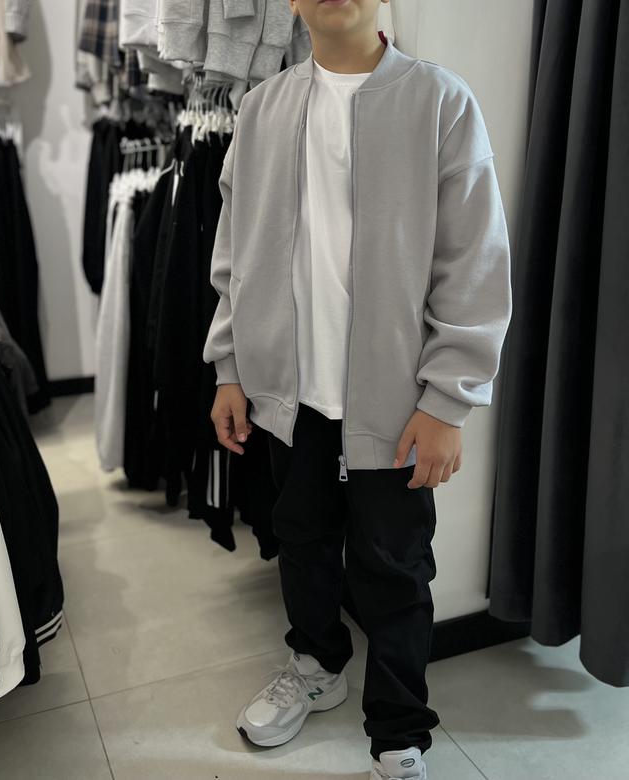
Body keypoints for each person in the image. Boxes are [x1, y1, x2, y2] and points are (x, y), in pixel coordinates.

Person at [202, 0, 513, 777]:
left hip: (397, 404)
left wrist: (447, 400)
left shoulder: (439, 101)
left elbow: (473, 261)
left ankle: (400, 729)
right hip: (290, 396)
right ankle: (316, 665)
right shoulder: (261, 110)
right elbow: (234, 256)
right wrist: (230, 367)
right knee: (301, 540)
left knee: (395, 566)